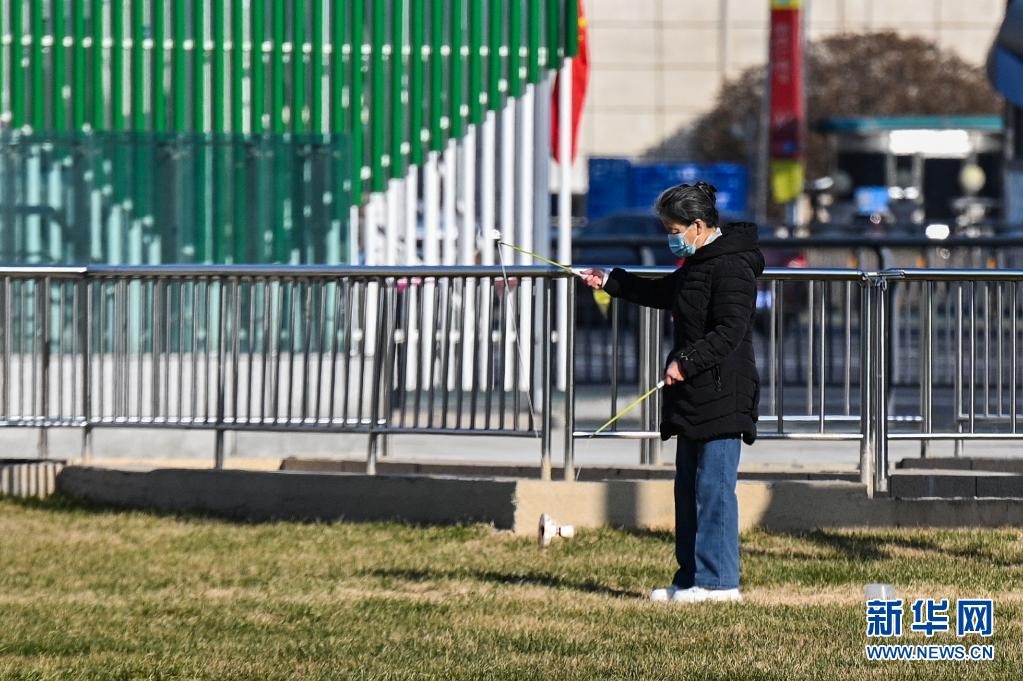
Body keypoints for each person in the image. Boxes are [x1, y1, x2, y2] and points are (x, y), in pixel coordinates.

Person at [580, 181, 764, 604]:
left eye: (674, 230)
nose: (671, 238)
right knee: (689, 490)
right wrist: (611, 281)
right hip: (694, 398)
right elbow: (666, 293)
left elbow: (730, 331)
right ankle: (690, 578)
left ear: (698, 225)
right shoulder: (698, 263)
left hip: (724, 396)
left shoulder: (732, 266)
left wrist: (686, 361)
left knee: (714, 491)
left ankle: (720, 583)